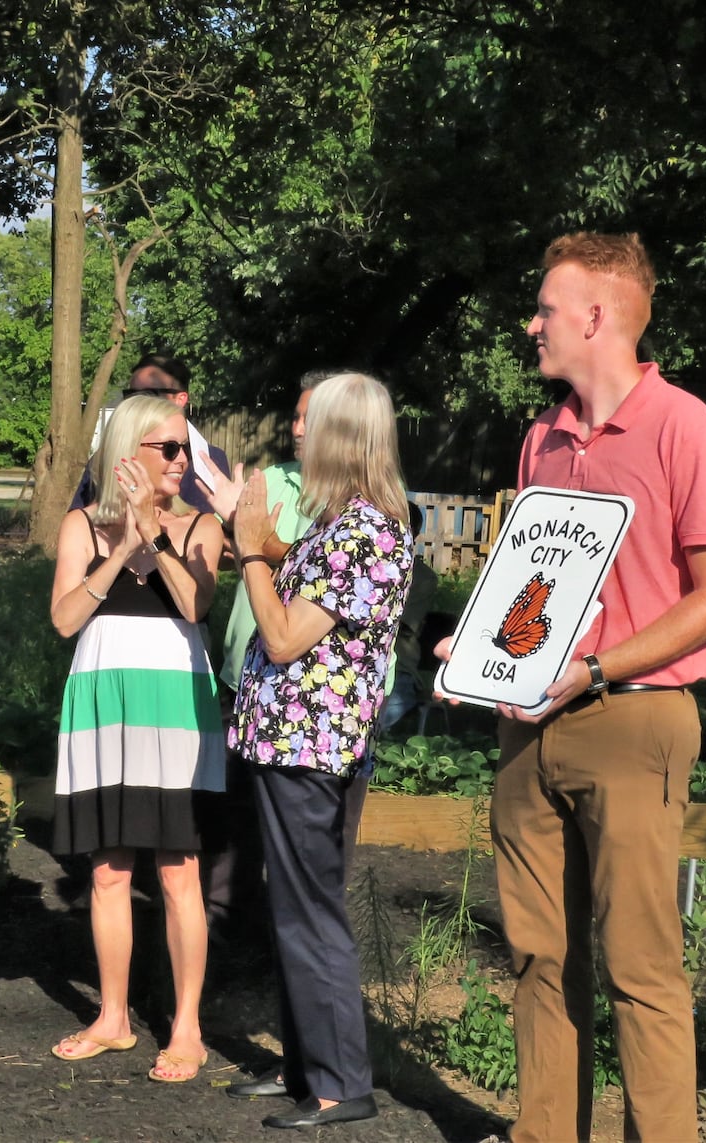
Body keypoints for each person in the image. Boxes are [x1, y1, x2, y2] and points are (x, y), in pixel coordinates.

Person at [461, 233, 706, 1141]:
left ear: (597, 315)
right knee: (539, 957)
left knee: (641, 967)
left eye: (545, 307)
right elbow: (533, 588)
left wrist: (590, 669)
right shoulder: (540, 438)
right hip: (527, 726)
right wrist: (478, 650)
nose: (531, 322)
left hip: (635, 720)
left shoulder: (688, 429)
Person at [227, 372, 413, 1129]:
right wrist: (263, 537)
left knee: (311, 911)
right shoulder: (341, 523)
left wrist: (248, 555)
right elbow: (299, 568)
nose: (298, 434)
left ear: (344, 436)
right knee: (293, 906)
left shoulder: (365, 529)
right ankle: (306, 1065)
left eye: (314, 424)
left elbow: (281, 636)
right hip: (288, 742)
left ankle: (340, 1082)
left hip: (311, 746)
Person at [48, 394, 227, 1084]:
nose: (184, 460)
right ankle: (113, 1016)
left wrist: (153, 539)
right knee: (108, 868)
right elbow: (65, 620)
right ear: (129, 451)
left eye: (185, 448)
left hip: (176, 704)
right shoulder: (81, 526)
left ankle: (187, 1027)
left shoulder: (201, 526)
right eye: (169, 448)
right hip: (105, 702)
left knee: (180, 871)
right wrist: (118, 548)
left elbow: (195, 605)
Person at [199, 370, 326, 939]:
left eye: (308, 418)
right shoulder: (271, 479)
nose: (295, 428)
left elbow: (334, 570)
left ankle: (301, 947)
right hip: (248, 677)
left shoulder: (371, 499)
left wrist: (255, 539)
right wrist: (230, 529)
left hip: (324, 700)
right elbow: (239, 552)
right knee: (231, 822)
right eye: (294, 416)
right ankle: (225, 934)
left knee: (314, 845)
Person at [73, 352, 231, 516]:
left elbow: (205, 536)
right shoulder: (106, 455)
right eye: (131, 395)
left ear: (180, 399)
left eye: (149, 395)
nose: (138, 403)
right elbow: (82, 519)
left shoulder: (208, 461)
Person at [376, 501, 438, 737]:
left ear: (414, 534)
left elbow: (398, 623)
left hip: (397, 667)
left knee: (378, 719)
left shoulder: (422, 578)